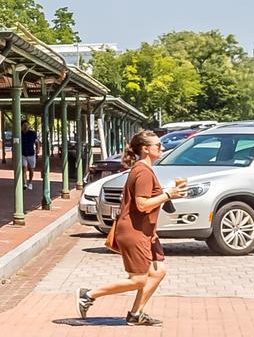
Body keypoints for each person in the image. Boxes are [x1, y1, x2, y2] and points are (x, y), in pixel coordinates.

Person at [78, 131, 185, 326]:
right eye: (158, 146)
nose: (162, 148)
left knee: (158, 271)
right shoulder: (143, 171)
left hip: (146, 232)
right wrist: (169, 195)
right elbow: (142, 204)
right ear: (146, 149)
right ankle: (89, 294)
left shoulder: (143, 169)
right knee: (138, 279)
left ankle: (135, 314)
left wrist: (169, 194)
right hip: (134, 232)